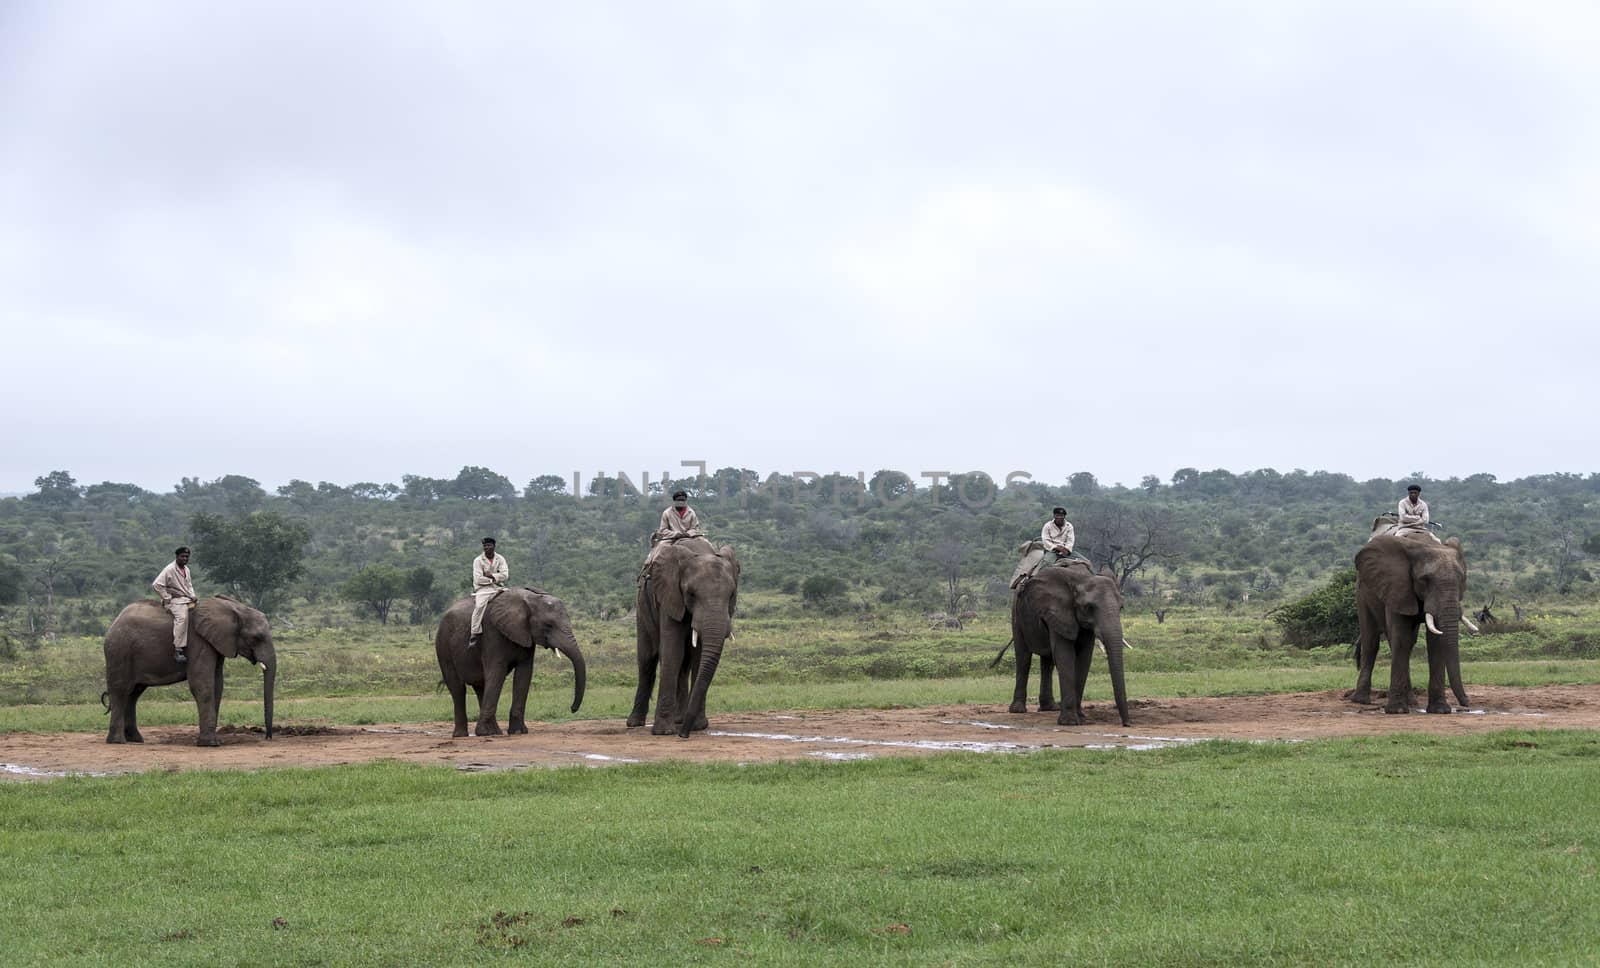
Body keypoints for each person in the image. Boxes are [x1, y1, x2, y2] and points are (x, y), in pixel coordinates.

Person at [643, 490, 706, 574]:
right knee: (658, 549)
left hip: (689, 537)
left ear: (685, 501)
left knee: (706, 543)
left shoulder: (691, 512)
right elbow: (663, 529)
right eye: (678, 500)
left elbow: (694, 527)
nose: (681, 502)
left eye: (682, 500)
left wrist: (688, 533)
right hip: (671, 539)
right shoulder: (667, 513)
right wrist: (676, 534)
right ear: (675, 501)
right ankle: (648, 568)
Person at [152, 546, 197, 664]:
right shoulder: (169, 569)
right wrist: (167, 597)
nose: (185, 558)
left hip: (186, 598)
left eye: (187, 557)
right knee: (182, 618)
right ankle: (178, 649)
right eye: (182, 556)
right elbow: (157, 585)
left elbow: (189, 585)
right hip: (175, 601)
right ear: (177, 557)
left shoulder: (187, 569)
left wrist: (193, 595)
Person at [468, 537, 508, 648]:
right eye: (485, 546)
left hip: (498, 587)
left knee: (512, 600)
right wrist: (494, 578)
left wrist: (491, 576)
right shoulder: (478, 560)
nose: (487, 548)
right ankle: (474, 633)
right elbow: (478, 579)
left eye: (489, 545)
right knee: (480, 605)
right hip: (483, 588)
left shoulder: (500, 559)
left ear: (494, 546)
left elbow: (505, 575)